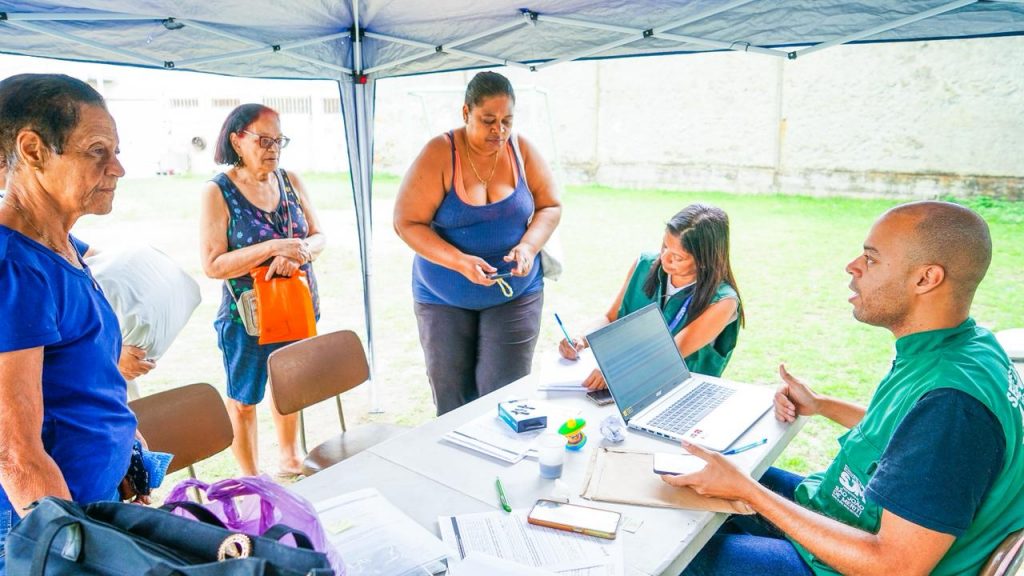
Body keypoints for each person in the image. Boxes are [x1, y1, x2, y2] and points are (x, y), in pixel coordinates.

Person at [663, 201, 1024, 575]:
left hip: (856, 562)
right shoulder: (965, 346)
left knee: (671, 556)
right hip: (843, 512)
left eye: (871, 258)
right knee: (698, 476)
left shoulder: (953, 406)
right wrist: (820, 405)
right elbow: (912, 440)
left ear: (925, 279)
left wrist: (749, 492)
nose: (853, 266)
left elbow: (895, 566)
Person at [0, 73, 143, 574]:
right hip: (47, 525)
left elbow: (83, 379)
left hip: (92, 502)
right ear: (34, 149)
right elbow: (13, 451)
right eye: (98, 150)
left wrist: (125, 457)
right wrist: (78, 553)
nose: (118, 168)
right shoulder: (14, 270)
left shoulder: (63, 248)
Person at [394, 71, 562, 416]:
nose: (499, 131)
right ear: (466, 112)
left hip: (515, 293)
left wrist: (529, 247)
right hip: (443, 297)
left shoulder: (523, 151)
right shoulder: (440, 153)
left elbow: (550, 206)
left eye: (506, 121)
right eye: (488, 121)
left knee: (504, 397)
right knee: (453, 399)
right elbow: (406, 223)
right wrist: (459, 261)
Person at [200, 103, 325, 477]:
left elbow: (318, 236)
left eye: (279, 140)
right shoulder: (218, 191)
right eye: (264, 140)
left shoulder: (291, 180)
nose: (273, 148)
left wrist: (298, 253)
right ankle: (251, 477)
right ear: (238, 140)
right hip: (246, 317)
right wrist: (273, 248)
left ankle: (289, 457)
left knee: (291, 387)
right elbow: (213, 265)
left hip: (296, 303)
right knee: (244, 399)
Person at [559, 203, 743, 389]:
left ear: (705, 260)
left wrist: (618, 371)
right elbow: (610, 317)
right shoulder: (645, 264)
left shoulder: (723, 301)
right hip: (627, 385)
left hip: (681, 392)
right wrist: (580, 338)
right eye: (664, 247)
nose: (665, 258)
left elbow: (670, 353)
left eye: (678, 257)